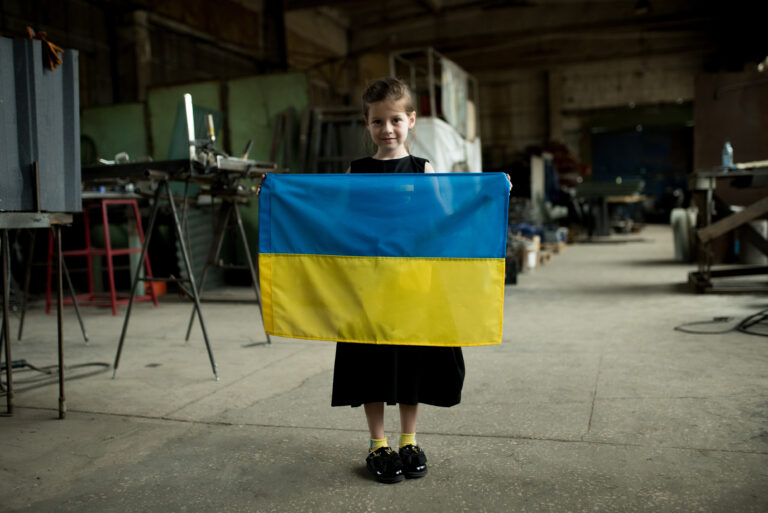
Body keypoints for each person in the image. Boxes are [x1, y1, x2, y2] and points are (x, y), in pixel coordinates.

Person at [331, 77, 465, 484]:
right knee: (370, 363)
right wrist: (280, 192)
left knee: (411, 363)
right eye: (376, 122)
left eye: (394, 120)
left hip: (412, 286)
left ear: (411, 121)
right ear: (366, 124)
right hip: (369, 286)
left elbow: (443, 217)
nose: (386, 129)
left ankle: (409, 440)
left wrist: (494, 193)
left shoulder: (422, 169)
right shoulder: (357, 170)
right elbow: (339, 220)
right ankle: (378, 444)